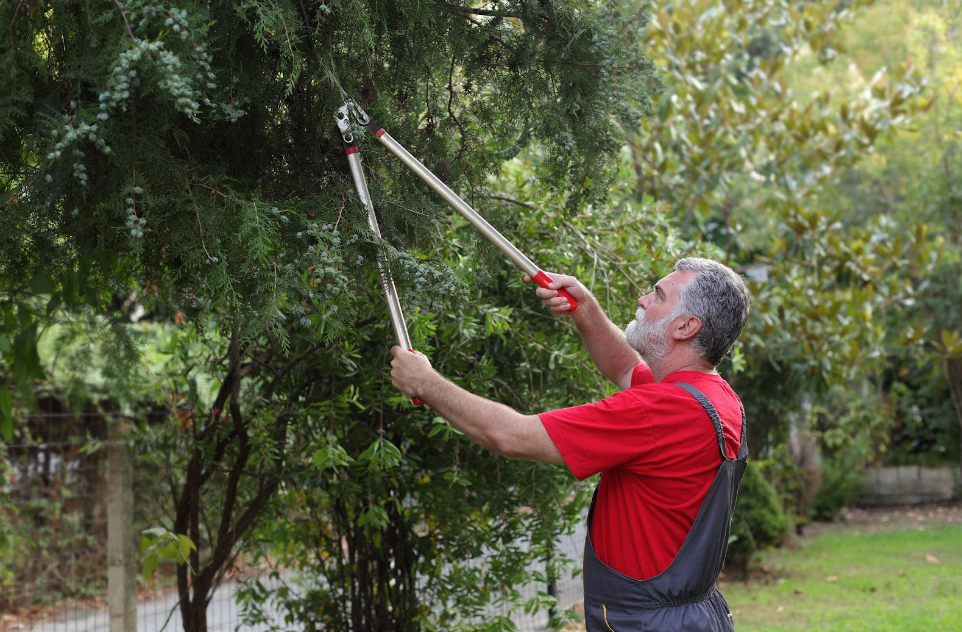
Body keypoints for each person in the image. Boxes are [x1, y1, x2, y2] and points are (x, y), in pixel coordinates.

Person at [390, 257, 752, 631]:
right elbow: (625, 367)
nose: (643, 300)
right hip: (691, 615)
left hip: (646, 621)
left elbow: (512, 436)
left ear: (686, 326)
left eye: (657, 296)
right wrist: (585, 309)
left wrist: (426, 383)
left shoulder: (660, 410)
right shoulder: (713, 398)